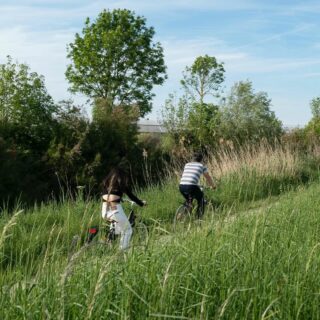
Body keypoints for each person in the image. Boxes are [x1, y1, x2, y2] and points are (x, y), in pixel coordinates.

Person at [101, 159, 145, 250]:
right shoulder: (121, 185)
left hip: (105, 211)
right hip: (115, 210)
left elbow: (110, 197)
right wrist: (141, 203)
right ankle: (122, 252)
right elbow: (132, 196)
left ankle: (109, 242)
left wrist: (120, 198)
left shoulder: (106, 185)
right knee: (128, 230)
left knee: (117, 229)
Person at [179, 151, 216, 218]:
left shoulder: (187, 164)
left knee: (189, 200)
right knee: (201, 199)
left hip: (181, 186)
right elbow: (208, 177)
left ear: (192, 159)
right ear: (201, 159)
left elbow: (188, 176)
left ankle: (182, 214)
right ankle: (199, 220)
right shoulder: (202, 166)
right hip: (192, 186)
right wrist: (213, 186)